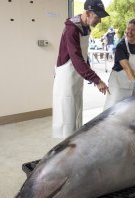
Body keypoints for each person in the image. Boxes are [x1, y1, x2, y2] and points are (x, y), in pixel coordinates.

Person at [52, 0, 109, 138]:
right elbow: (76, 58)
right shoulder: (72, 29)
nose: (99, 21)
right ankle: (66, 146)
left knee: (76, 109)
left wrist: (88, 69)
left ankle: (74, 140)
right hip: (67, 75)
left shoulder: (85, 27)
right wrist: (96, 79)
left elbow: (83, 54)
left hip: (76, 74)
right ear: (88, 13)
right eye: (97, 17)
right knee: (68, 113)